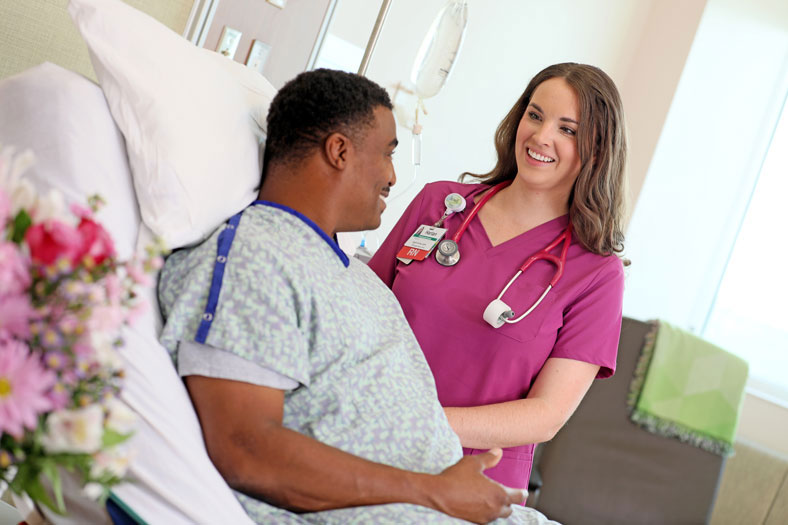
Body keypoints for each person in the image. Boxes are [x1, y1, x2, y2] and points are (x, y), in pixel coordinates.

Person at [157, 68, 557, 524]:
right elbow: (246, 450)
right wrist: (433, 493)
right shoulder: (254, 259)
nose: (392, 175)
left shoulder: (356, 277)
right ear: (339, 151)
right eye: (387, 153)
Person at [368, 62, 628, 492]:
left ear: (597, 150)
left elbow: (546, 415)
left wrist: (420, 421)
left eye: (568, 129)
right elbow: (362, 308)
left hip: (471, 481)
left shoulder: (597, 275)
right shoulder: (441, 205)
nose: (541, 137)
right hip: (365, 436)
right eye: (535, 115)